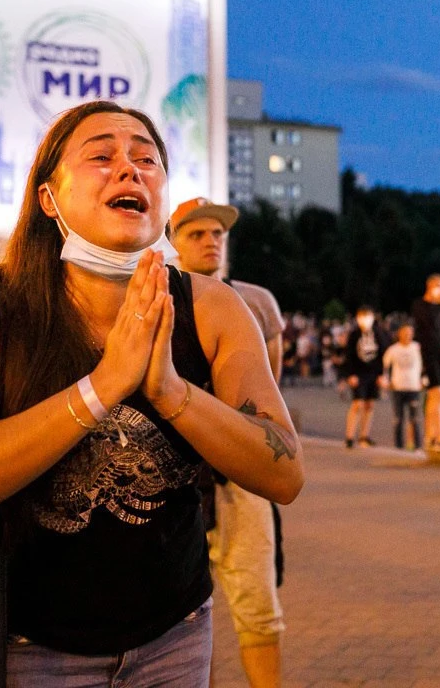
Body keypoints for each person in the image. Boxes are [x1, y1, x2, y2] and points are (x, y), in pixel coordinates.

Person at [0, 100, 303, 686]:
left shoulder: (214, 308)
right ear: (48, 198)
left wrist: (171, 391)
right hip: (29, 647)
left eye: (147, 158)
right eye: (101, 156)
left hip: (174, 638)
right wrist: (100, 389)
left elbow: (285, 472)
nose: (130, 168)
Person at [168, 195, 289, 688]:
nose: (210, 240)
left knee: (257, 604)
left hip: (238, 479)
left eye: (217, 232)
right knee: (185, 614)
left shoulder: (256, 301)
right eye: (196, 233)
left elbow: (270, 392)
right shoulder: (155, 296)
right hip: (174, 476)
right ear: (173, 241)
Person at [411, 275, 440, 449]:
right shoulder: (421, 305)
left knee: (436, 396)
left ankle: (431, 434)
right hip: (428, 354)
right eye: (439, 286)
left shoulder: (439, 309)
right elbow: (427, 325)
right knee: (438, 393)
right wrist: (437, 303)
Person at [343, 305, 389, 448]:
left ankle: (364, 435)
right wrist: (350, 374)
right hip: (358, 373)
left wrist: (382, 374)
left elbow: (384, 353)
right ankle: (350, 436)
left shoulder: (379, 333)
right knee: (358, 403)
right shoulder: (354, 334)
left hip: (374, 373)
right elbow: (349, 355)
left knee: (369, 404)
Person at [383, 321, 423, 450]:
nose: (407, 335)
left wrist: (424, 380)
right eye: (405, 333)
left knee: (415, 419)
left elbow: (425, 365)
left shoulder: (417, 347)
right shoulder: (393, 349)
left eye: (410, 333)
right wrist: (387, 381)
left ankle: (417, 445)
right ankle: (398, 445)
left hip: (414, 387)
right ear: (399, 334)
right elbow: (385, 366)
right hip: (398, 388)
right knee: (398, 419)